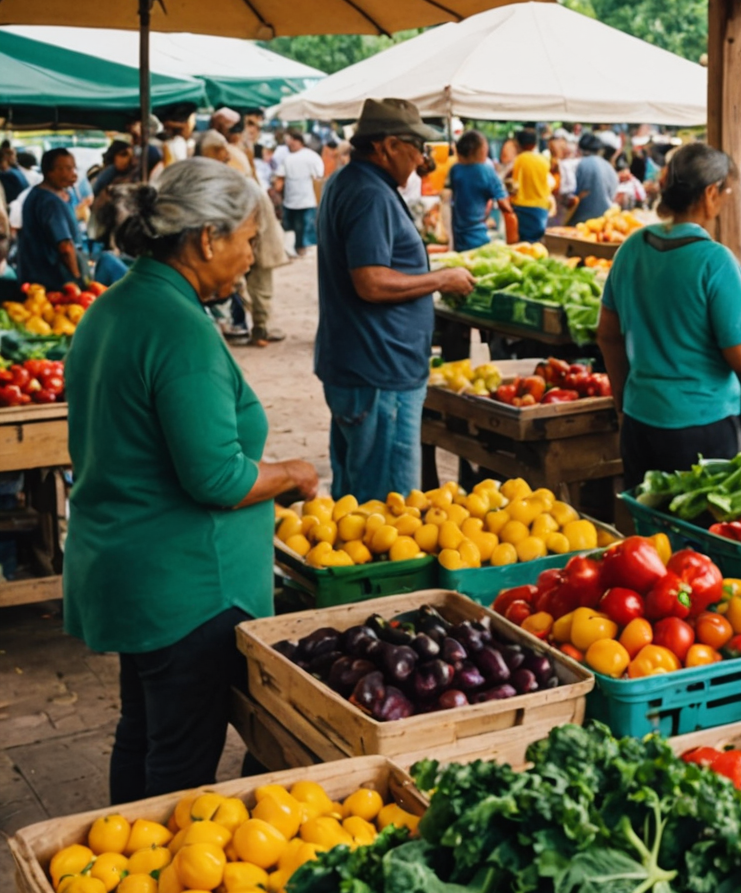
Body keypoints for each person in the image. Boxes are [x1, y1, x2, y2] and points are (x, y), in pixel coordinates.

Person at [66, 158, 320, 800]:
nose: (252, 255)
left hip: (128, 568)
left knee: (144, 733)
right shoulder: (179, 329)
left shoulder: (117, 305)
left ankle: (121, 875)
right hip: (186, 590)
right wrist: (291, 472)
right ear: (207, 238)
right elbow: (217, 478)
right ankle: (149, 887)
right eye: (248, 239)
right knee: (179, 763)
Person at [595, 142, 741, 488]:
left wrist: (623, 403)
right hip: (701, 428)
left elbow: (608, 334)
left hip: (641, 421)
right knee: (702, 536)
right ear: (711, 193)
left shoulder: (630, 249)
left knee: (649, 534)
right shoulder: (715, 261)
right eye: (727, 191)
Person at [315, 99, 473, 501]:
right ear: (386, 146)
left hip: (361, 366)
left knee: (355, 502)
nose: (422, 158)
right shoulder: (369, 194)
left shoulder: (350, 182)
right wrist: (440, 280)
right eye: (416, 147)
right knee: (389, 509)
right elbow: (370, 281)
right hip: (379, 372)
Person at [201, 132, 289, 344]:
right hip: (252, 234)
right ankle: (257, 327)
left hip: (258, 234)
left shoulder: (231, 170)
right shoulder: (228, 166)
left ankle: (260, 328)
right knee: (246, 285)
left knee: (258, 286)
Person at [15, 148, 83, 287]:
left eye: (73, 168)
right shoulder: (50, 203)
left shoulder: (36, 194)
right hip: (51, 281)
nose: (73, 173)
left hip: (32, 277)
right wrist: (77, 279)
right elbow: (65, 247)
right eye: (68, 168)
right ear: (51, 171)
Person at [446, 130, 514, 250]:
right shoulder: (486, 171)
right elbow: (504, 204)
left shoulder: (454, 170)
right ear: (478, 150)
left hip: (458, 238)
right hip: (478, 238)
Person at [272, 128, 324, 255]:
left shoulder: (311, 156)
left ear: (299, 141)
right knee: (295, 227)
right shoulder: (287, 158)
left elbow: (319, 177)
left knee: (305, 227)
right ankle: (298, 250)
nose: (290, 144)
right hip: (291, 199)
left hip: (307, 198)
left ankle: (305, 250)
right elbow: (280, 178)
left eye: (292, 141)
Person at [509, 128, 555, 242]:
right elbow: (551, 183)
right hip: (541, 208)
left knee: (525, 243)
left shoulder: (519, 159)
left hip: (522, 207)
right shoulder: (543, 160)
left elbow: (514, 184)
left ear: (518, 144)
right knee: (537, 242)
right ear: (535, 143)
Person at [567, 132, 620, 227]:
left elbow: (569, 195)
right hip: (604, 223)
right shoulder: (609, 167)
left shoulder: (576, 164)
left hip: (578, 223)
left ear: (578, 149)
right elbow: (613, 194)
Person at [0, 143, 28, 207]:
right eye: (13, 155)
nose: (15, 158)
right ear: (6, 157)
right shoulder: (16, 172)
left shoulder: (8, 174)